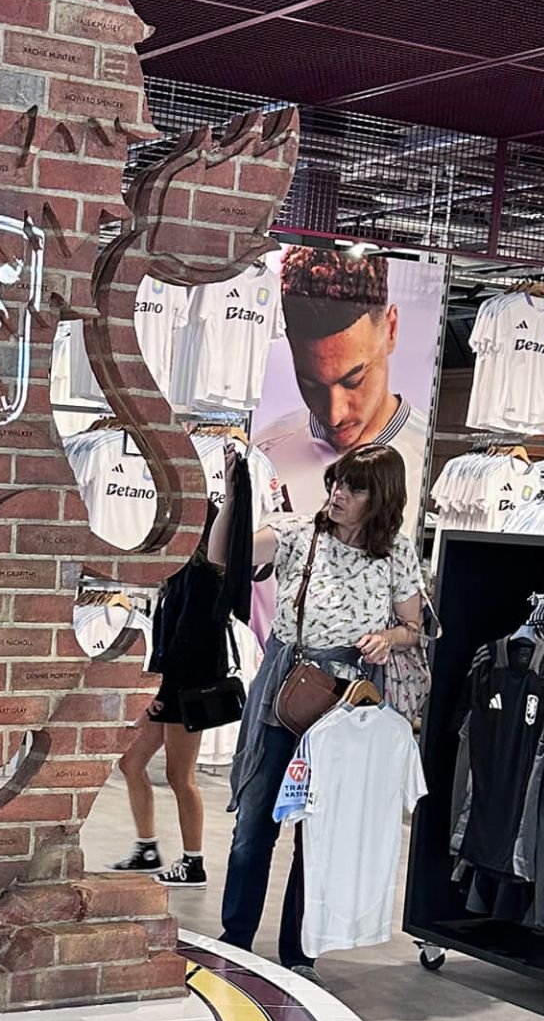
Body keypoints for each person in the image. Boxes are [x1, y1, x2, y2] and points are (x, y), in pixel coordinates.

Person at [221, 443, 423, 975]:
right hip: (285, 692)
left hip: (345, 706)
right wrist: (234, 499)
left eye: (354, 488)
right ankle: (235, 938)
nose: (338, 494)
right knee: (255, 822)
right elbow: (223, 555)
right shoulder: (296, 533)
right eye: (337, 482)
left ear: (380, 498)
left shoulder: (396, 552)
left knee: (319, 832)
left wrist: (388, 638)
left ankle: (299, 951)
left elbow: (413, 627)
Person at [112, 474, 239, 887]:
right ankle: (147, 848)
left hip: (185, 691)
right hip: (173, 688)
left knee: (179, 776)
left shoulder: (202, 577)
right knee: (132, 763)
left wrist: (161, 693)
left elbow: (187, 644)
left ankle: (193, 862)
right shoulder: (183, 573)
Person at [254, 247, 427, 520]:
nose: (335, 416)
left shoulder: (428, 458)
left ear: (391, 329)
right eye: (311, 385)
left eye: (353, 381)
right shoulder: (264, 453)